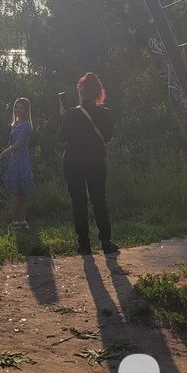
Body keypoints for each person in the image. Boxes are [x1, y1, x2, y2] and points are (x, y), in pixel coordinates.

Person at [57, 73, 118, 254]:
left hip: (73, 162)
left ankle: (84, 244)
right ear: (99, 92)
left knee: (79, 202)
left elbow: (61, 139)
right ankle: (106, 241)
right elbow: (107, 137)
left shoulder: (71, 113)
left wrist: (62, 117)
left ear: (80, 92)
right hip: (96, 161)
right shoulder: (106, 114)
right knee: (99, 200)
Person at [0, 97, 34, 229]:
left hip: (21, 159)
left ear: (26, 110)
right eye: (16, 107)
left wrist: (6, 151)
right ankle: (20, 220)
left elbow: (19, 143)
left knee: (19, 192)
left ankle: (18, 220)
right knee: (18, 192)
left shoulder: (26, 125)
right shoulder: (16, 124)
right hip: (14, 159)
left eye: (21, 107)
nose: (17, 110)